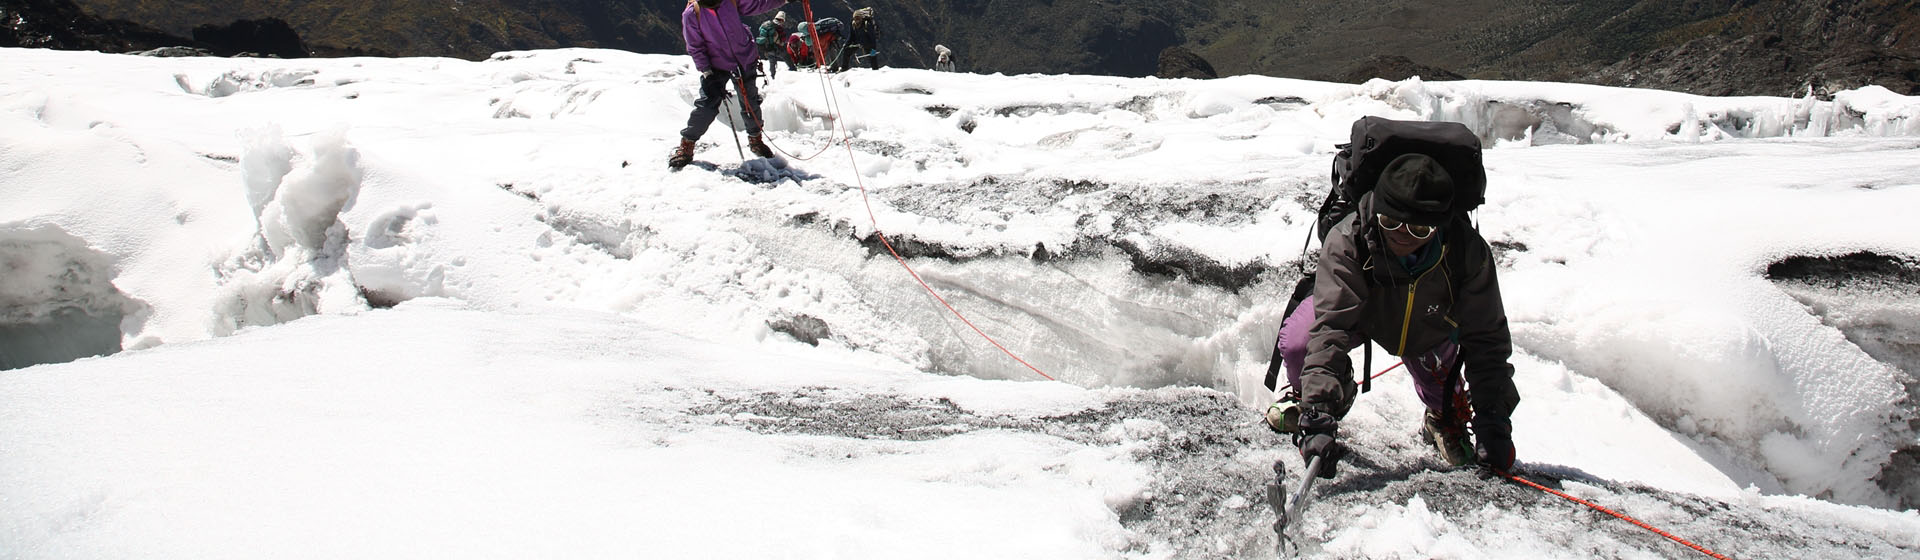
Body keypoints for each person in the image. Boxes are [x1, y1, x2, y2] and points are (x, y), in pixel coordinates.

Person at [1270, 153, 1520, 478]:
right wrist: (1318, 411)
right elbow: (1331, 324)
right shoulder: (1348, 240)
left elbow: (1486, 339)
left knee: (1445, 396)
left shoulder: (1466, 251)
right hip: (1362, 313)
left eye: (1418, 228)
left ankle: (1441, 417)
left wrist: (1493, 420)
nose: (1402, 235)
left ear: (1440, 224)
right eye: (1391, 223)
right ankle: (1320, 393)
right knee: (1299, 343)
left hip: (1427, 328)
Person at [670, 0, 790, 169]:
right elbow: (695, 47)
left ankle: (755, 140)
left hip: (742, 59)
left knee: (750, 102)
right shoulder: (692, 14)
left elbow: (757, 4)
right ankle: (687, 144)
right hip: (718, 65)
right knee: (707, 106)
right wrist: (707, 73)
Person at [833, 7, 880, 72]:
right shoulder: (853, 24)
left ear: (861, 18)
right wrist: (846, 44)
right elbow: (851, 36)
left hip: (868, 43)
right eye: (855, 18)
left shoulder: (867, 24)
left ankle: (875, 70)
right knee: (846, 51)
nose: (856, 19)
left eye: (858, 18)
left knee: (872, 57)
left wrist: (873, 49)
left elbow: (872, 38)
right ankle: (844, 68)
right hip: (857, 42)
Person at [754, 11, 791, 80]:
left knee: (772, 62)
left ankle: (773, 76)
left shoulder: (768, 25)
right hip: (775, 48)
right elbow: (782, 38)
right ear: (782, 19)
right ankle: (794, 71)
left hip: (767, 48)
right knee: (787, 57)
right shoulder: (778, 27)